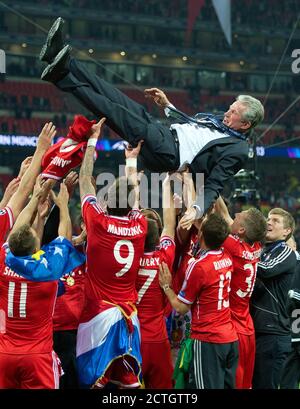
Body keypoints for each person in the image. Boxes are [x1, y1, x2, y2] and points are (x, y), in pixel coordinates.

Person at [38, 17, 264, 228]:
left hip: (167, 152)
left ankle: (60, 76)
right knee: (117, 98)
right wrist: (168, 106)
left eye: (233, 113)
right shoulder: (221, 121)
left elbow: (215, 183)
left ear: (245, 125)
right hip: (164, 133)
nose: (227, 113)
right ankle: (65, 61)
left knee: (112, 110)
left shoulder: (238, 149)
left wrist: (195, 209)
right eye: (230, 108)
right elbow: (193, 127)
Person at [77, 118, 147, 389]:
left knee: (94, 382)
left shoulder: (97, 221)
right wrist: (131, 161)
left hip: (98, 315)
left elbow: (85, 179)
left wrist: (92, 140)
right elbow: (135, 194)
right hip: (130, 314)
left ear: (106, 202)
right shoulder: (139, 226)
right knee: (128, 384)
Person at [0, 180, 85, 389]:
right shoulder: (48, 275)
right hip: (38, 356)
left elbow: (19, 235)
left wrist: (37, 207)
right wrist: (64, 205)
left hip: (4, 355)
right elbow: (64, 239)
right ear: (36, 246)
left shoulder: (3, 258)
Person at [159, 214, 239, 389]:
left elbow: (181, 307)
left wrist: (167, 287)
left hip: (208, 340)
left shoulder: (199, 266)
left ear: (201, 235)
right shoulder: (227, 256)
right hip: (230, 338)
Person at [215, 196, 267, 388]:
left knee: (233, 383)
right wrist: (214, 189)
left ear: (242, 230)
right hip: (247, 326)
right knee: (246, 383)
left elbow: (210, 224)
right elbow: (226, 216)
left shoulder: (233, 246)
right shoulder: (255, 247)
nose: (235, 214)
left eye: (240, 216)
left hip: (233, 326)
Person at [250, 208, 297, 389]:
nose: (269, 222)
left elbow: (265, 269)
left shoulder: (286, 252)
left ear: (287, 231)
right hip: (255, 330)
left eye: (275, 220)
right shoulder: (262, 250)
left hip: (273, 335)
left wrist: (244, 254)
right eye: (268, 218)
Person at [280, 236, 300, 389]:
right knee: (288, 377)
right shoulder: (279, 265)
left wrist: (293, 294)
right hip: (285, 328)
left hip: (296, 325)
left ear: (294, 245)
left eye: (287, 245)